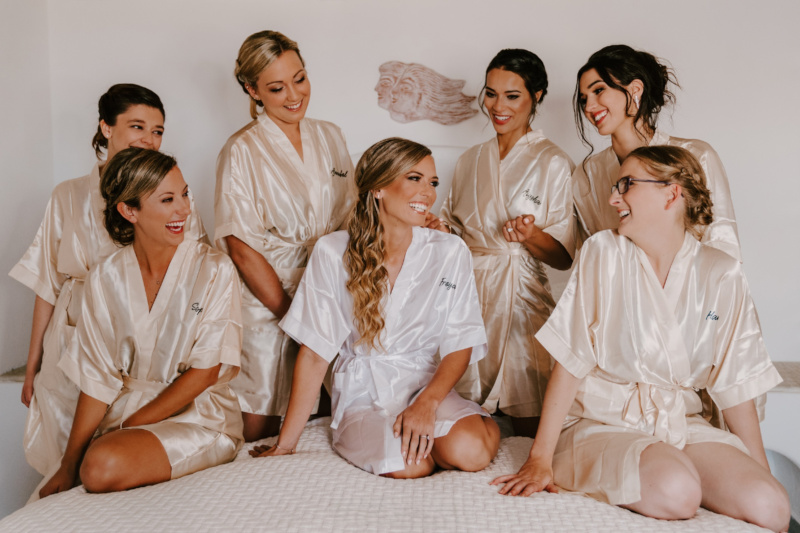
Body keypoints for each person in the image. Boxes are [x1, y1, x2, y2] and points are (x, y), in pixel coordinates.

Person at [491, 146, 789, 532]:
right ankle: (624, 462)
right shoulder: (603, 253)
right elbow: (570, 359)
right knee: (678, 492)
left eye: (627, 185)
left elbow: (736, 385)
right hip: (601, 423)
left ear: (671, 192)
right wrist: (540, 456)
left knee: (772, 506)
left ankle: (680, 463)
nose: (613, 198)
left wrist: (758, 471)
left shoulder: (722, 273)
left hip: (679, 423)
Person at [251, 138, 500, 479]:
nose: (427, 193)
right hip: (363, 395)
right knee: (411, 463)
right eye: (414, 178)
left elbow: (461, 341)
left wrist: (426, 405)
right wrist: (285, 445)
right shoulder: (332, 251)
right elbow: (314, 354)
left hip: (427, 385)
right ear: (379, 188)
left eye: (433, 182)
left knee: (470, 452)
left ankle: (475, 422)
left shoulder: (449, 250)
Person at [9, 84, 206, 477]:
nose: (149, 139)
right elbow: (47, 284)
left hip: (143, 348)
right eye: (137, 126)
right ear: (105, 127)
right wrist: (33, 364)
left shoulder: (173, 199)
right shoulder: (67, 195)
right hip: (71, 340)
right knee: (62, 458)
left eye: (158, 131)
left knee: (119, 459)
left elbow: (193, 276)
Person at [40, 148, 243, 498]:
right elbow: (97, 379)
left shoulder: (215, 269)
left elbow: (205, 371)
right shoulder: (105, 278)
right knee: (89, 464)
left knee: (101, 465)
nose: (184, 209)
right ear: (129, 210)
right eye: (167, 199)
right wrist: (67, 464)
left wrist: (126, 427)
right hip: (126, 418)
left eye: (184, 194)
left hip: (200, 418)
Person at [215, 30, 355, 442]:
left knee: (330, 413)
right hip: (265, 303)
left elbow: (352, 214)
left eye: (300, 78)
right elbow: (240, 248)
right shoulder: (240, 150)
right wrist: (294, 316)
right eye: (277, 87)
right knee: (261, 420)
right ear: (252, 89)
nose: (294, 95)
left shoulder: (330, 135)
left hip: (328, 291)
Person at [440, 49, 575, 437]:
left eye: (512, 96)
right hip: (468, 296)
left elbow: (564, 257)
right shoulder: (470, 160)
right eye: (491, 93)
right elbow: (455, 231)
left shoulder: (554, 162)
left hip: (521, 299)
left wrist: (531, 236)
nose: (497, 106)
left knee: (530, 414)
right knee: (458, 412)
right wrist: (440, 229)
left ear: (538, 96)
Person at [573, 44, 740, 261]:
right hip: (619, 294)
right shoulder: (587, 175)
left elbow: (722, 247)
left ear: (635, 90)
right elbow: (591, 256)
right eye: (584, 99)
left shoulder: (698, 155)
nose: (588, 107)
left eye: (598, 90)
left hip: (691, 291)